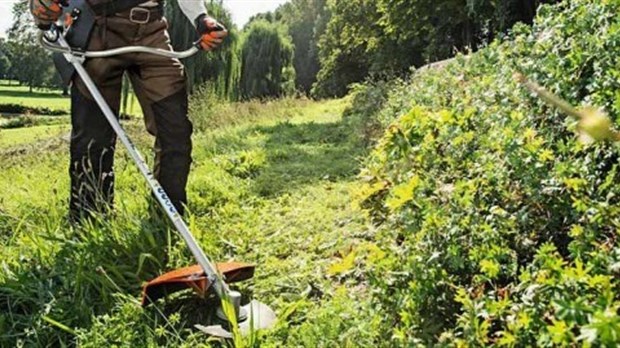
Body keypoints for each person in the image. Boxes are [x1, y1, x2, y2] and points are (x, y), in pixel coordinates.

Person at [29, 0, 227, 222]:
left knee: (175, 130)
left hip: (153, 31)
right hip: (98, 28)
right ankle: (89, 221)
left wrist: (201, 18)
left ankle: (167, 220)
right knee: (92, 138)